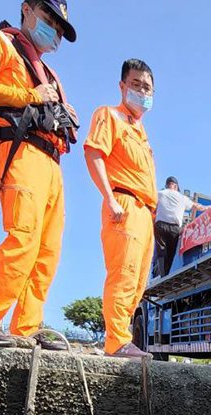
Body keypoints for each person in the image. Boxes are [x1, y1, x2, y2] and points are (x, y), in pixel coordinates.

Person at [0, 0, 77, 352]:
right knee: (22, 237)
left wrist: (63, 112)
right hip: (20, 151)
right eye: (49, 20)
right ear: (27, 9)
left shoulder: (51, 74)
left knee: (47, 251)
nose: (53, 31)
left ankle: (26, 327)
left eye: (59, 28)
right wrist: (30, 95)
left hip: (52, 163)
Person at [83, 59, 159, 359]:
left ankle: (121, 338)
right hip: (124, 202)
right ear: (123, 86)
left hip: (144, 212)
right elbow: (94, 153)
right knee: (123, 274)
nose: (142, 91)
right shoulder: (110, 115)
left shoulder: (141, 132)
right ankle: (116, 342)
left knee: (138, 282)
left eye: (148, 87)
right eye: (137, 84)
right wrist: (110, 198)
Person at [154, 177, 196, 277]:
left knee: (161, 250)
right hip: (174, 228)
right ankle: (166, 273)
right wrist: (207, 208)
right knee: (171, 252)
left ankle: (163, 274)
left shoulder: (160, 193)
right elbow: (195, 206)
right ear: (176, 186)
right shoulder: (182, 197)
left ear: (167, 185)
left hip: (160, 226)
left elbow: (149, 199)